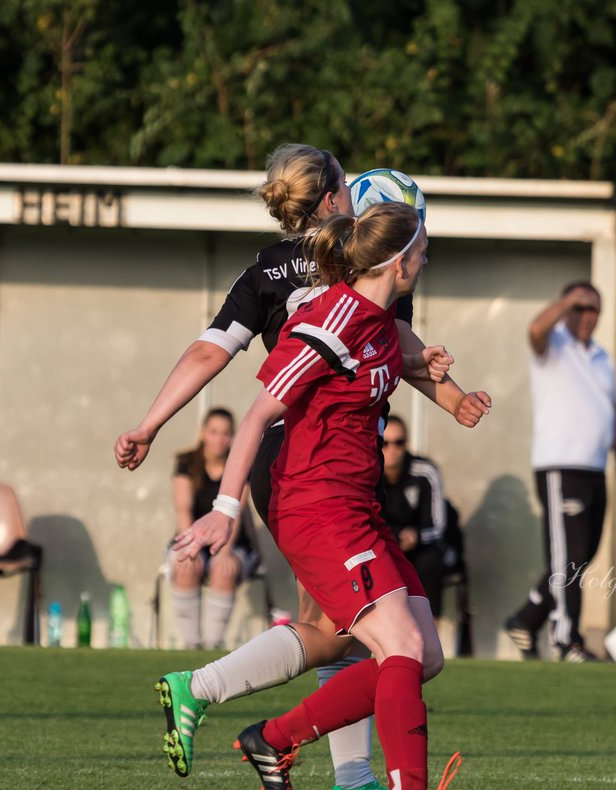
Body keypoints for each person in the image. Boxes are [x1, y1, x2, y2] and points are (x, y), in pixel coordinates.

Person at [117, 144, 488, 788]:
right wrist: (221, 512)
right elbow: (273, 398)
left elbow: (211, 352)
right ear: (336, 198)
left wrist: (150, 423)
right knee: (367, 635)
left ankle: (273, 734)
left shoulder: (280, 268)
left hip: (326, 474)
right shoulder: (353, 278)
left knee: (368, 637)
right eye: (350, 187)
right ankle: (323, 760)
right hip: (308, 471)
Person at [177, 203, 453, 790]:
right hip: (317, 509)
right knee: (397, 644)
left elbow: (371, 367)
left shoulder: (379, 322)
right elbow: (256, 417)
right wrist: (224, 511)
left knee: (424, 654)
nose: (427, 258)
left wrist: (416, 361)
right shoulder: (332, 321)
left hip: (358, 509)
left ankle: (271, 740)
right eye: (423, 250)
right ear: (399, 263)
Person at [503, 281, 616, 662]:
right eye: (580, 308)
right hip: (560, 466)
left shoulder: (602, 357)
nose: (586, 316)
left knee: (581, 557)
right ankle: (566, 640)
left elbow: (611, 413)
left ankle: (526, 618)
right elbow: (534, 330)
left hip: (595, 467)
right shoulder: (553, 346)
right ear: (566, 309)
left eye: (593, 309)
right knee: (568, 559)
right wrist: (566, 302)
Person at [167, 407, 260, 649]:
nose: (220, 439)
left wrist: (225, 552)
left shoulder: (241, 465)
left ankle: (211, 646)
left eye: (226, 433)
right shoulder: (186, 463)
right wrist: (191, 549)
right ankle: (191, 645)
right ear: (203, 433)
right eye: (214, 432)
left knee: (223, 568)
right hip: (192, 538)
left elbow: (235, 513)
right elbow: (183, 510)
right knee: (185, 564)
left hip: (232, 542)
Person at [379, 415, 452, 618]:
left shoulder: (425, 471)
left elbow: (438, 525)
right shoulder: (368, 471)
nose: (392, 449)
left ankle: (430, 631)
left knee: (430, 562)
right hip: (384, 544)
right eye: (385, 443)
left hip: (421, 546)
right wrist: (395, 536)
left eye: (399, 443)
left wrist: (416, 536)